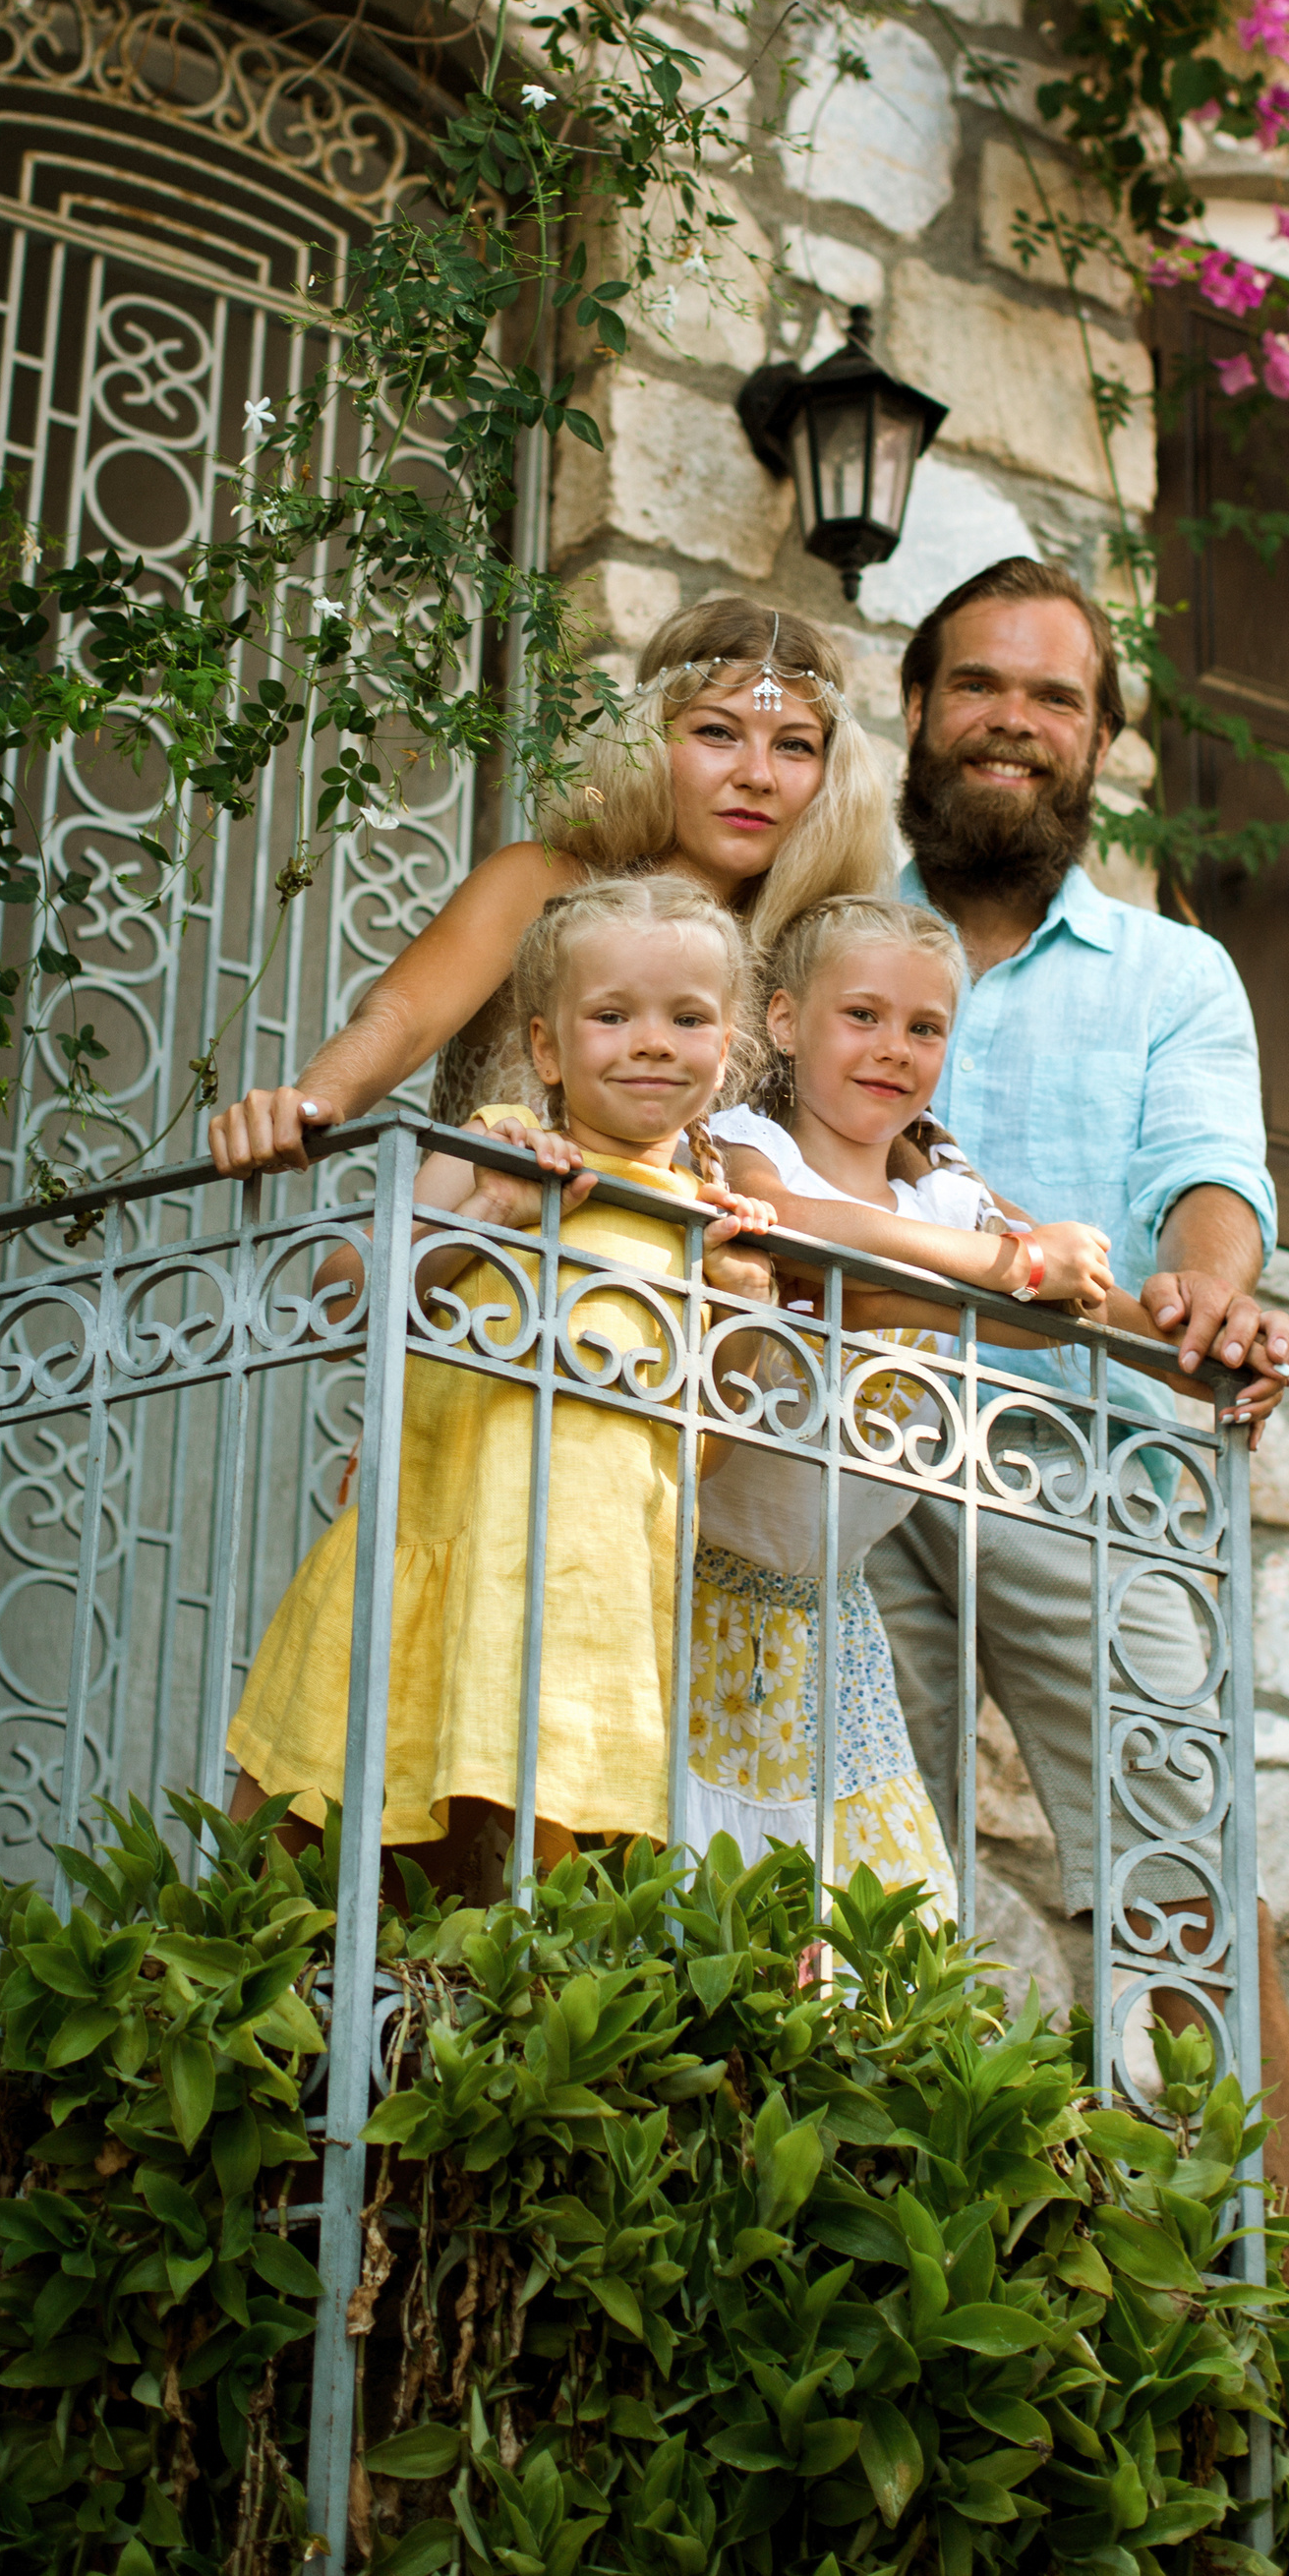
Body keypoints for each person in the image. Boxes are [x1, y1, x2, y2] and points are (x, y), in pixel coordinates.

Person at [858, 555, 1289, 2272]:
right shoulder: (823, 941)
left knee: (1182, 1872)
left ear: (1101, 742)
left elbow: (1208, 1174)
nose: (1013, 721)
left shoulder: (1170, 977)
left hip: (1091, 1467)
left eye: (1053, 697)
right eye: (980, 684)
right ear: (915, 710)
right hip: (848, 1451)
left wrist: (1212, 1281)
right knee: (852, 1871)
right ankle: (870, 2267)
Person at [224, 874, 777, 1899]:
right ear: (545, 1049)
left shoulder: (705, 1218)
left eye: (686, 1018)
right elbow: (343, 1299)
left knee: (523, 1894)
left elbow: (700, 1446)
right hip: (436, 1545)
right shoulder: (497, 1144)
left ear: (729, 1043)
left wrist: (741, 1305)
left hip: (587, 1592)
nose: (651, 1042)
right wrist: (487, 1211)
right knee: (303, 1862)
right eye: (611, 1016)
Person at [693, 893, 1121, 1920]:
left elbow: (1054, 1309)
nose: (895, 1049)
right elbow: (794, 1231)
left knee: (876, 1915)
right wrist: (1003, 1263)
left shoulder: (939, 1194)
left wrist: (1196, 1327)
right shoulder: (747, 1145)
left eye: (925, 1028)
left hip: (827, 1616)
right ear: (786, 1023)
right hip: (696, 1590)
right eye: (863, 1017)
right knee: (696, 1876)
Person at [204, 595, 894, 1180]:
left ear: (833, 774)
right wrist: (309, 1105)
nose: (759, 775)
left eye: (795, 745)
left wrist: (993, 1227)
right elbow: (398, 1020)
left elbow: (895, 1137)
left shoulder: (806, 960)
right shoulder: (541, 882)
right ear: (648, 738)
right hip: (487, 1296)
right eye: (718, 732)